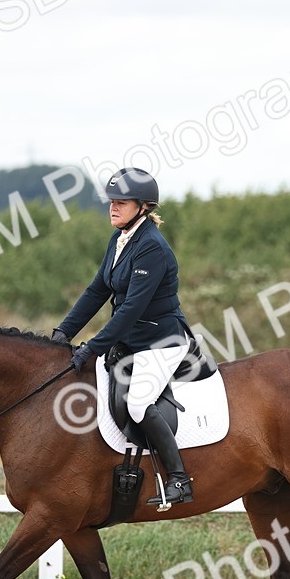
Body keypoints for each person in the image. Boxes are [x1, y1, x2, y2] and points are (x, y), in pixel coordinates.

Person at [52, 167, 194, 507]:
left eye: (121, 203)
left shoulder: (152, 247)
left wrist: (92, 347)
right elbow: (97, 290)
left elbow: (130, 309)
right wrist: (63, 332)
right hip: (131, 341)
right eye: (111, 202)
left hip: (161, 342)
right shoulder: (120, 239)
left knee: (139, 403)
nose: (113, 208)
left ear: (143, 207)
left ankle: (178, 479)